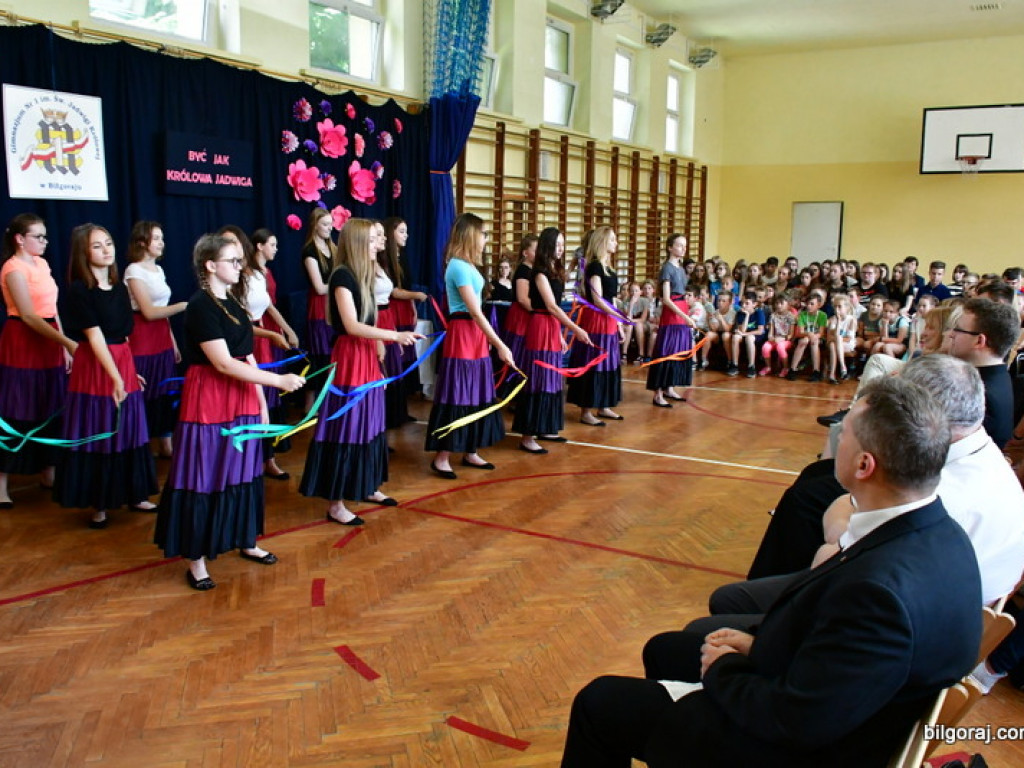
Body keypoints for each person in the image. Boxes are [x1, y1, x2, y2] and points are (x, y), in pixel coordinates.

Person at [562, 376, 981, 768]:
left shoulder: (878, 593)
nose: (838, 437)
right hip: (845, 701)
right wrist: (758, 646)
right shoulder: (940, 532)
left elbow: (797, 720)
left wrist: (725, 668)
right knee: (666, 648)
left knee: (599, 703)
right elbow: (840, 655)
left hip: (807, 747)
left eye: (846, 432)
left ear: (864, 465)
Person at [154, 234, 305, 591]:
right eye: (233, 261)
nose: (240, 267)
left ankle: (245, 539)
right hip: (210, 398)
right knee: (203, 473)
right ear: (210, 265)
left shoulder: (234, 304)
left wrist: (262, 402)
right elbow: (222, 363)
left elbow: (245, 355)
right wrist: (276, 380)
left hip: (241, 397)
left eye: (240, 261)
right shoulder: (200, 306)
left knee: (242, 470)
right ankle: (197, 560)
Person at [301, 219, 421, 524]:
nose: (377, 244)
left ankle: (367, 485)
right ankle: (336, 502)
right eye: (370, 240)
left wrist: (380, 356)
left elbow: (371, 322)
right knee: (349, 425)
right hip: (350, 358)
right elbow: (353, 326)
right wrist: (394, 337)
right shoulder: (343, 276)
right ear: (356, 243)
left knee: (370, 422)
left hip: (367, 355)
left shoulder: (365, 274)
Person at [53, 224, 158, 528]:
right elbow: (96, 338)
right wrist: (115, 377)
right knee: (100, 426)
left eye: (108, 243)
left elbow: (123, 337)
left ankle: (135, 493)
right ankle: (99, 503)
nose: (106, 250)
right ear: (83, 252)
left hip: (122, 361)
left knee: (129, 428)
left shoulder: (120, 288)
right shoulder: (78, 290)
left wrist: (130, 372)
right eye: (97, 246)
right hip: (96, 366)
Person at [426, 214, 515, 474]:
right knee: (459, 391)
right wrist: (499, 343)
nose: (486, 239)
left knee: (476, 391)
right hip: (463, 333)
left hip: (474, 335)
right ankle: (442, 457)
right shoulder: (457, 266)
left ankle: (471, 450)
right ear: (470, 235)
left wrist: (486, 340)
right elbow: (474, 311)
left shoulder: (469, 265)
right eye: (483, 233)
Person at [0, 214, 77, 509]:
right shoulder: (13, 268)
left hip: (50, 340)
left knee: (49, 404)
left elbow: (51, 309)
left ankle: (49, 472)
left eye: (45, 236)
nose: (44, 242)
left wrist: (63, 346)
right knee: (16, 408)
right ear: (20, 239)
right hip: (23, 341)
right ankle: (2, 483)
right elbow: (30, 315)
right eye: (38, 237)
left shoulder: (42, 264)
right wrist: (68, 343)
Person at [512, 227, 591, 453]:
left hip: (550, 326)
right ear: (547, 246)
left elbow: (552, 311)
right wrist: (576, 329)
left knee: (551, 378)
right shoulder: (538, 273)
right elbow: (551, 307)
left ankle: (544, 427)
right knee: (538, 378)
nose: (561, 249)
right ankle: (527, 436)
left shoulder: (553, 270)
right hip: (539, 327)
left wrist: (558, 334)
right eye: (557, 245)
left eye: (563, 245)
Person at [124, 221, 186, 460]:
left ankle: (165, 443)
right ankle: (141, 444)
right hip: (142, 335)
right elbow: (149, 312)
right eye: (156, 238)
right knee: (144, 391)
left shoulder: (158, 270)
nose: (161, 243)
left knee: (164, 391)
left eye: (162, 238)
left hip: (162, 334)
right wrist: (182, 306)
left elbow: (162, 311)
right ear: (142, 242)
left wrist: (173, 341)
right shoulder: (133, 271)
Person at [250, 227, 301, 474]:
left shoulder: (264, 273)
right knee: (258, 394)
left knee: (271, 397)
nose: (276, 249)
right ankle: (257, 459)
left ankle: (269, 459)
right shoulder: (246, 274)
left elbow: (270, 305)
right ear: (259, 246)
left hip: (266, 334)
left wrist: (286, 329)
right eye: (272, 244)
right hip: (254, 337)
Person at [567, 226, 623, 425]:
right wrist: (619, 316)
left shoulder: (610, 268)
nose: (616, 243)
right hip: (597, 319)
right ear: (603, 243)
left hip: (609, 320)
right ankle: (586, 411)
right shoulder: (594, 267)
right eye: (612, 240)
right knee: (594, 360)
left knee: (608, 362)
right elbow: (598, 299)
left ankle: (604, 405)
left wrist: (619, 324)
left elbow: (612, 298)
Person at [946, 297, 1019, 449]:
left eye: (958, 329)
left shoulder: (984, 395)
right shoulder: (996, 375)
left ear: (979, 341)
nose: (951, 334)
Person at [646, 234, 695, 407]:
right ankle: (658, 393)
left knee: (679, 350)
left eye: (684, 245)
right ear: (670, 247)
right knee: (667, 350)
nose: (683, 248)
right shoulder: (667, 268)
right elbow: (666, 298)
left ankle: (670, 387)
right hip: (673, 313)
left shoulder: (681, 269)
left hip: (682, 310)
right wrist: (685, 316)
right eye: (679, 245)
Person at [301, 208, 336, 406]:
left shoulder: (332, 247)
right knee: (319, 356)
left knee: (331, 355)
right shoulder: (310, 251)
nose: (329, 228)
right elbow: (320, 287)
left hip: (332, 306)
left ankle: (328, 401)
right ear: (315, 225)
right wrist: (340, 282)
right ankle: (311, 404)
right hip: (319, 308)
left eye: (331, 224)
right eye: (325, 224)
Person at [785, 289, 826, 381]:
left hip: (817, 337)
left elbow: (821, 332)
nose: (808, 306)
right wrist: (808, 334)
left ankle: (816, 371)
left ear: (818, 305)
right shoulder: (802, 315)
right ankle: (793, 369)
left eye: (812, 304)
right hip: (804, 336)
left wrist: (814, 336)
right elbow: (800, 332)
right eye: (808, 303)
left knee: (814, 342)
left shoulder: (822, 315)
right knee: (804, 340)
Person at [726, 290, 765, 378]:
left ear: (754, 304)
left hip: (755, 335)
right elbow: (742, 330)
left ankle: (751, 366)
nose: (743, 305)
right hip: (744, 333)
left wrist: (745, 334)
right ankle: (734, 365)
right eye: (742, 303)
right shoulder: (740, 313)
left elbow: (760, 331)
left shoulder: (759, 312)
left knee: (749, 338)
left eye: (747, 303)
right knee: (735, 337)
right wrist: (747, 316)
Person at [760, 293, 794, 377]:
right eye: (777, 303)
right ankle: (768, 367)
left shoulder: (791, 317)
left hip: (786, 340)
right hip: (775, 339)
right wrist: (770, 337)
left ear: (788, 304)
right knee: (765, 347)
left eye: (781, 303)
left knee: (780, 347)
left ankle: (786, 368)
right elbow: (771, 332)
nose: (779, 305)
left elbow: (791, 335)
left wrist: (782, 339)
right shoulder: (773, 316)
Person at [825, 294, 856, 383]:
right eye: (835, 307)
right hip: (834, 343)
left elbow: (849, 338)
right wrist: (838, 321)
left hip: (847, 344)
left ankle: (833, 374)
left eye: (839, 306)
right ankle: (843, 369)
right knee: (833, 343)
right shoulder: (832, 319)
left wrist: (837, 339)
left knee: (834, 342)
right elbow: (830, 336)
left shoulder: (851, 320)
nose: (837, 309)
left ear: (847, 308)